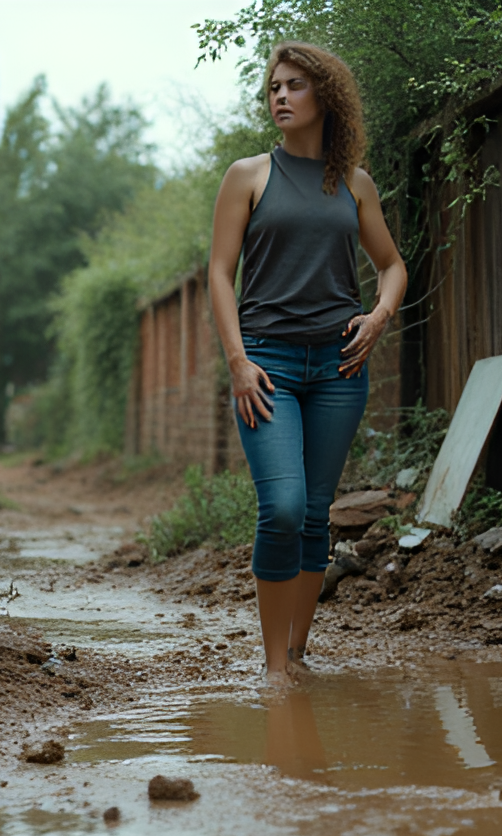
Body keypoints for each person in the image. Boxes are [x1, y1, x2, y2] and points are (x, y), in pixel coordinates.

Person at [208, 41, 407, 685]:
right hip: (266, 366)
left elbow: (393, 266)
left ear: (325, 95)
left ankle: (297, 653)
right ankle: (273, 670)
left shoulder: (354, 184)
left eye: (294, 85)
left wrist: (377, 318)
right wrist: (236, 361)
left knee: (317, 514)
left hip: (339, 371)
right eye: (273, 88)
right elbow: (218, 273)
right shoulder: (248, 176)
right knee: (284, 509)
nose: (281, 97)